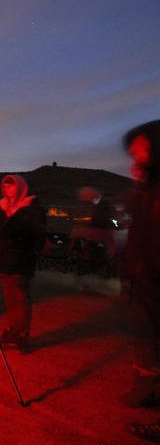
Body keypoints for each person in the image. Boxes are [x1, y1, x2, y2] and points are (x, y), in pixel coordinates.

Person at [120, 120, 160, 442]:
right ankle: (147, 391)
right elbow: (140, 230)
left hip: (156, 275)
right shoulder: (148, 189)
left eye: (141, 150)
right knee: (147, 338)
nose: (135, 156)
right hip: (145, 277)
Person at [0, 174, 46, 355]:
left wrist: (30, 252)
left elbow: (38, 234)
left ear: (19, 187)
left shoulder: (31, 207)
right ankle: (12, 329)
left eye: (11, 186)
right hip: (2, 259)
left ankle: (22, 333)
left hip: (21, 259)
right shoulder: (1, 207)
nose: (7, 189)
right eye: (5, 186)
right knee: (9, 296)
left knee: (21, 296)